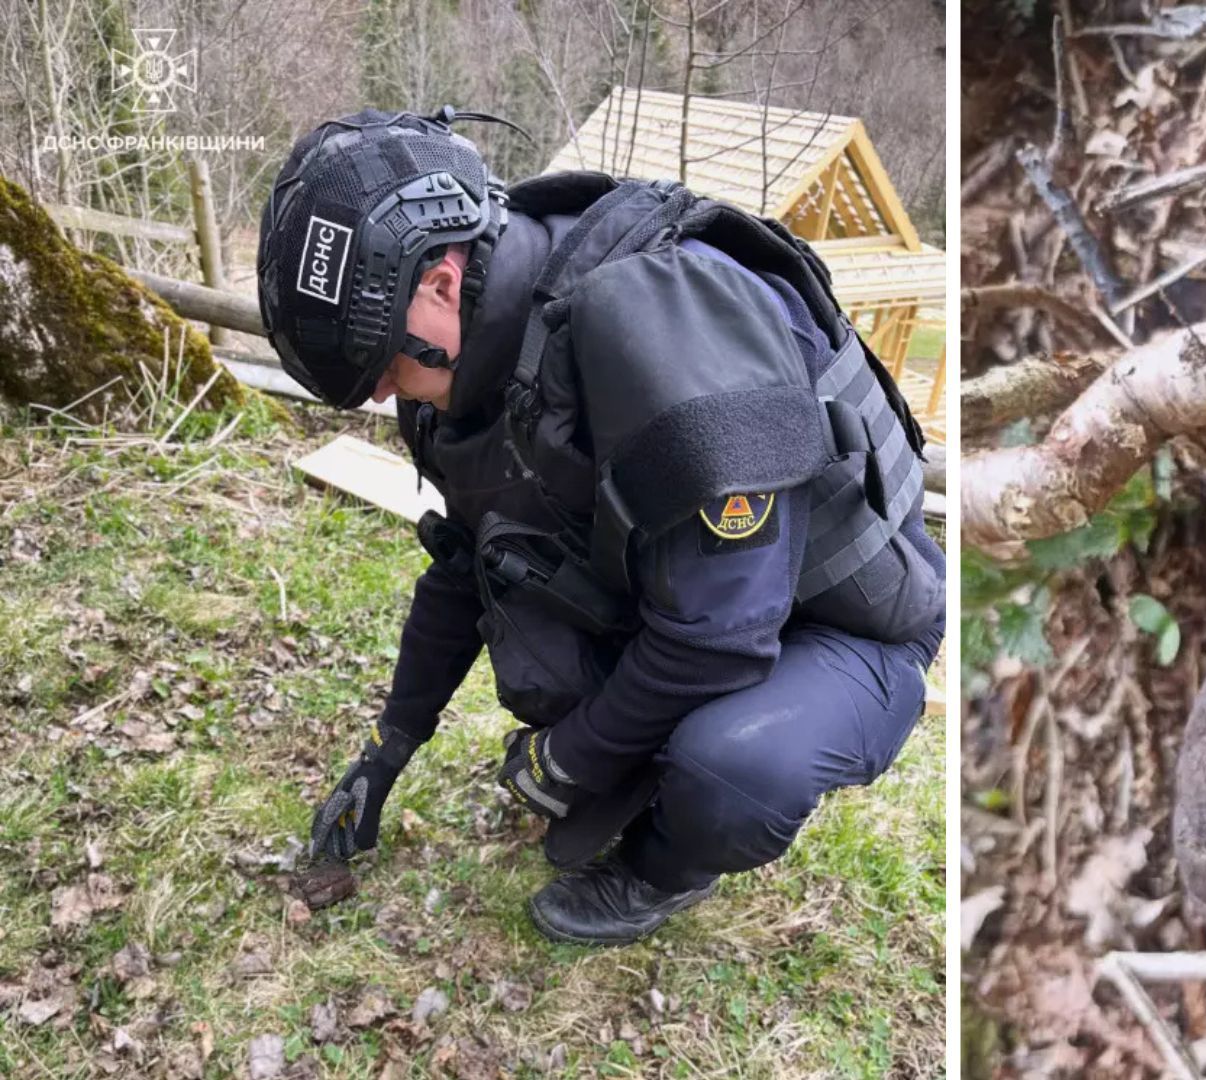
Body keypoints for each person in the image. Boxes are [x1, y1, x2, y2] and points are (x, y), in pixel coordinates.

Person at [254, 107, 944, 945]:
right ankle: (650, 760)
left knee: (734, 769)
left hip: (846, 628)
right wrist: (388, 746)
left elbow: (717, 640)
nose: (376, 395)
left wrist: (567, 759)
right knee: (546, 654)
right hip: (713, 593)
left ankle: (664, 869)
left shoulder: (668, 329)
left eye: (379, 365)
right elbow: (468, 560)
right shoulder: (472, 361)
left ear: (438, 280)